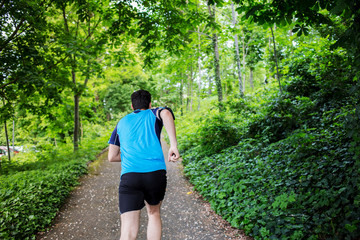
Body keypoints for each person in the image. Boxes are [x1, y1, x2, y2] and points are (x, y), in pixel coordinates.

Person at [108, 89, 180, 240]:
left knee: (127, 229)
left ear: (132, 106)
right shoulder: (154, 113)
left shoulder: (121, 122)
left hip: (130, 176)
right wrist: (173, 145)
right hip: (155, 174)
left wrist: (132, 154)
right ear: (150, 103)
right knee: (153, 214)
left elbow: (112, 156)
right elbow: (166, 113)